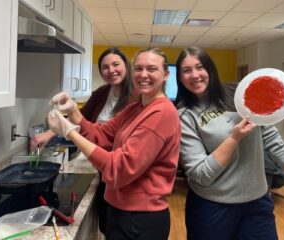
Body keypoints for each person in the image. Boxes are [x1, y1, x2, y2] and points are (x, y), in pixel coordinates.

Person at [174, 46, 284, 240]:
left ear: (210, 70)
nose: (195, 75)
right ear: (180, 78)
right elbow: (200, 175)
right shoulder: (185, 115)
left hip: (256, 204)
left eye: (200, 67)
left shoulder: (240, 95)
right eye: (186, 70)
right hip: (212, 209)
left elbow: (271, 140)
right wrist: (234, 139)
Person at [47, 47, 181, 240]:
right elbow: (101, 135)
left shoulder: (162, 113)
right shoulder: (136, 108)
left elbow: (120, 168)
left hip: (140, 218)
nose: (143, 75)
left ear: (166, 74)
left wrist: (70, 133)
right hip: (120, 209)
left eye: (152, 69)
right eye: (138, 68)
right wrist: (74, 111)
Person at [30, 47, 135, 236]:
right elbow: (78, 117)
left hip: (120, 170)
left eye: (116, 64)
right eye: (105, 67)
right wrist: (47, 134)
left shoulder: (136, 97)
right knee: (106, 223)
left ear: (125, 66)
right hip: (100, 165)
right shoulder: (102, 93)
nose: (111, 70)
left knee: (119, 225)